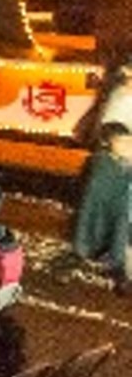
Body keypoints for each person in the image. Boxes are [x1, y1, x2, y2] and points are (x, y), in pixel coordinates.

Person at [72, 123, 132, 292]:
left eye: (130, 142)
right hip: (111, 214)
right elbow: (92, 198)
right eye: (121, 142)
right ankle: (116, 269)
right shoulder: (101, 164)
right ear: (107, 144)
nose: (128, 146)